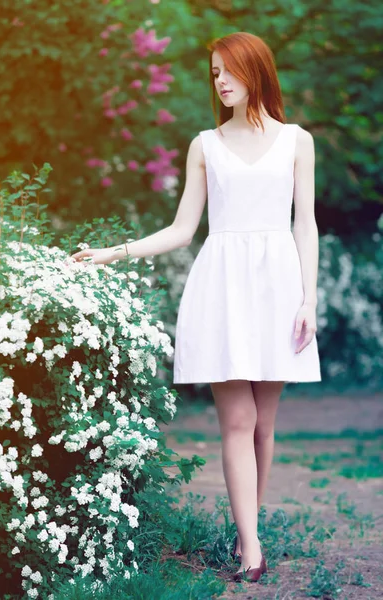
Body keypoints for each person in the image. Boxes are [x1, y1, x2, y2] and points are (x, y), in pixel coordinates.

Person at [71, 31, 322, 584]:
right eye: (214, 73)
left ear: (256, 70)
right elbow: (184, 230)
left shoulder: (297, 141)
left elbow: (305, 222)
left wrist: (309, 297)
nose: (222, 81)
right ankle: (251, 551)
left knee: (263, 425)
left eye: (228, 70)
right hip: (223, 285)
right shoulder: (204, 145)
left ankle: (244, 531)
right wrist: (115, 252)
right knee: (238, 419)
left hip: (279, 285)